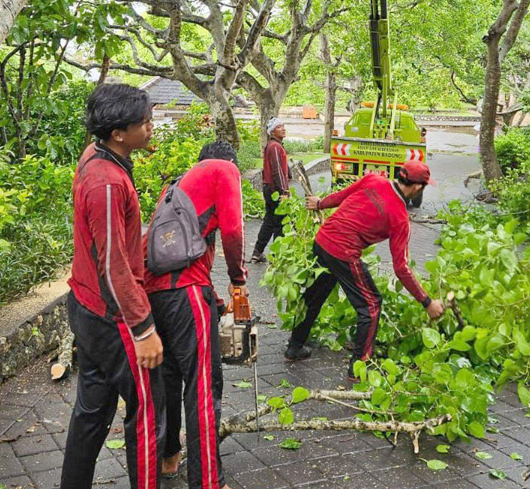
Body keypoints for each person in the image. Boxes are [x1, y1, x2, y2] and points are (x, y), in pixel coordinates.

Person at [62, 84, 164, 489]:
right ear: (118, 133)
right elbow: (113, 264)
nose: (151, 127)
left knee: (92, 408)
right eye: (144, 123)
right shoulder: (105, 181)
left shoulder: (98, 153)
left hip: (87, 305)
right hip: (112, 317)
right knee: (148, 408)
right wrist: (143, 329)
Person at [144, 141, 248, 489]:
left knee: (170, 381)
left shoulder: (175, 187)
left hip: (156, 295)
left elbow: (188, 251)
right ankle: (207, 482)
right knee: (204, 387)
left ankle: (169, 458)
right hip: (184, 293)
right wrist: (238, 281)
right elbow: (234, 231)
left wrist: (214, 299)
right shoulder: (224, 169)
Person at [286, 161, 445, 379]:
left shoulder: (373, 180)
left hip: (322, 241)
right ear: (417, 187)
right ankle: (358, 368)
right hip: (343, 253)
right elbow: (401, 268)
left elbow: (342, 195)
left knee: (313, 296)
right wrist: (427, 302)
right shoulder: (399, 217)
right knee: (370, 306)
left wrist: (320, 203)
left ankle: (294, 346)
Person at [250, 118, 289, 263]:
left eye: (283, 125)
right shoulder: (275, 147)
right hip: (275, 190)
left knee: (269, 221)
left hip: (269, 189)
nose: (283, 128)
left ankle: (257, 252)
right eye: (279, 127)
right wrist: (284, 191)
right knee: (279, 224)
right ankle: (277, 256)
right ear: (272, 131)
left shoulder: (273, 146)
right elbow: (277, 171)